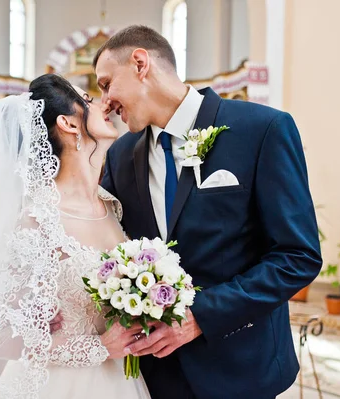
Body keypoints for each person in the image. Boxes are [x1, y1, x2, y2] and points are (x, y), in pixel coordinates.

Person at [96, 25, 322, 399]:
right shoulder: (120, 156)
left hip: (240, 366)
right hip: (154, 373)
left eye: (106, 84)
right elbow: (111, 248)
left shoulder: (262, 129)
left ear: (140, 63)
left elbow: (298, 257)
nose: (105, 102)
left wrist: (201, 316)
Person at [0, 74, 150, 398]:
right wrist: (99, 347)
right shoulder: (37, 220)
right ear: (68, 123)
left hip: (121, 381)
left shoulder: (110, 203)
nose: (104, 103)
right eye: (88, 101)